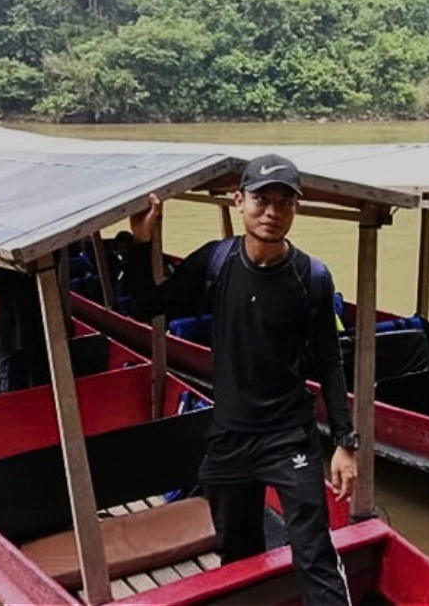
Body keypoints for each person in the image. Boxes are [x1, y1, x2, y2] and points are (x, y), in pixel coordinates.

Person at [128, 155, 356, 605]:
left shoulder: (312, 277)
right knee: (238, 555)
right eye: (261, 200)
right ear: (238, 201)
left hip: (289, 437)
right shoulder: (215, 262)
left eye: (284, 203)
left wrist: (346, 444)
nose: (272, 212)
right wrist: (140, 242)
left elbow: (330, 363)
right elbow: (146, 305)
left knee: (314, 552)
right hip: (230, 437)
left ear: (296, 209)